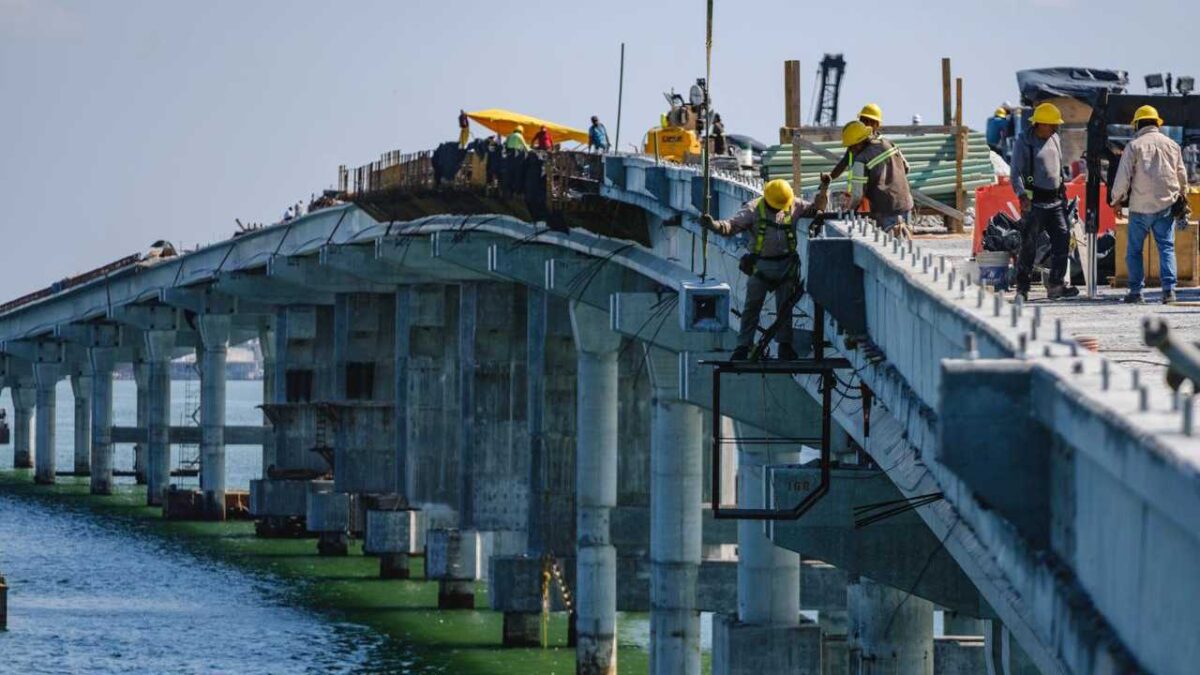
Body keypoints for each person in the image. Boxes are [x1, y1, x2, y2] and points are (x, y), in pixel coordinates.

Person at [699, 176, 831, 361]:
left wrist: (824, 188)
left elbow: (817, 209)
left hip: (787, 266)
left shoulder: (793, 204)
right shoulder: (753, 209)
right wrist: (713, 225)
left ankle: (785, 346)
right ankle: (743, 347)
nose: (780, 209)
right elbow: (730, 227)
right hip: (761, 266)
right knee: (752, 307)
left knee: (785, 308)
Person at [1109, 105, 1190, 304]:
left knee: (1134, 251)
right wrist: (1183, 197)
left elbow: (1123, 178)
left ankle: (1136, 293)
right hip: (1166, 206)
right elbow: (1182, 175)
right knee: (1166, 248)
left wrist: (1116, 200)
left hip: (1140, 207)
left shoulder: (1134, 146)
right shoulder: (1172, 145)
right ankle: (1169, 292)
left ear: (1137, 124)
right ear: (1157, 123)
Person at [1011, 102, 1078, 300]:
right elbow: (1015, 173)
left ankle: (1056, 285)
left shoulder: (1055, 138)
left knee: (1062, 239)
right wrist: (1022, 195)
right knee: (1029, 245)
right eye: (1052, 124)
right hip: (1035, 203)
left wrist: (1062, 192)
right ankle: (1022, 288)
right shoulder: (1024, 142)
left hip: (1056, 201)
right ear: (1039, 124)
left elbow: (1057, 167)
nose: (1056, 128)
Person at [841, 119, 914, 238]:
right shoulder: (888, 143)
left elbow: (858, 194)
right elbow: (906, 168)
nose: (850, 151)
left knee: (890, 250)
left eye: (850, 147)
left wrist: (849, 210)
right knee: (904, 248)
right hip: (905, 204)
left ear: (858, 143)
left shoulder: (861, 160)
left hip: (885, 209)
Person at [829, 103, 884, 183]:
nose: (866, 124)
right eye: (863, 120)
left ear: (877, 124)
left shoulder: (882, 146)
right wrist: (829, 178)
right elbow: (843, 163)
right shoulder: (855, 142)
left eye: (870, 121)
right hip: (858, 191)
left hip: (875, 191)